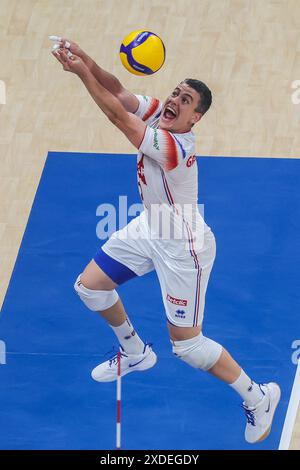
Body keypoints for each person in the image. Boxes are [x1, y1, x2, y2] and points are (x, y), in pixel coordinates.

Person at [52, 37, 281, 444]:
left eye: (186, 99)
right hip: (149, 226)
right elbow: (120, 94)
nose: (175, 99)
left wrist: (81, 74)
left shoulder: (175, 146)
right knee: (89, 286)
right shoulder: (160, 113)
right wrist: (87, 59)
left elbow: (117, 118)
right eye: (176, 91)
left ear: (196, 118)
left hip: (183, 246)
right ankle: (135, 351)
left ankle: (258, 396)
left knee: (188, 347)